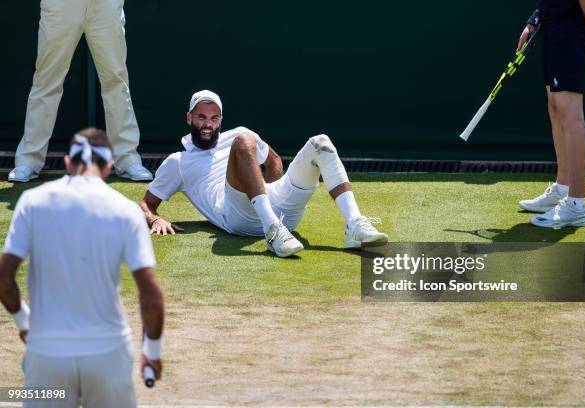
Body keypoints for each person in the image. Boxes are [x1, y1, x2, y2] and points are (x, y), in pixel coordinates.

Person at [0, 128, 164, 408]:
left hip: (47, 356)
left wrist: (25, 322)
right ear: (110, 166)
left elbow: (4, 277)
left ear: (66, 162)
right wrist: (152, 351)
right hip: (108, 356)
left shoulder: (32, 202)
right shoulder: (126, 211)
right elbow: (151, 296)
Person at [139, 90, 388, 257]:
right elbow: (146, 204)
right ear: (189, 118)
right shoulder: (178, 162)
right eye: (201, 117)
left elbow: (274, 161)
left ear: (220, 120)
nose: (207, 124)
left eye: (214, 118)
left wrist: (275, 195)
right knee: (244, 139)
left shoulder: (234, 132)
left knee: (320, 143)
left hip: (279, 210)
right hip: (237, 216)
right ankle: (272, 230)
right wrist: (155, 219)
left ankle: (354, 223)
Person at [8, 0, 153, 183]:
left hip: (105, 5)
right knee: (47, 80)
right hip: (61, 5)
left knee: (116, 80)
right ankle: (28, 161)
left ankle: (127, 158)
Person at [517, 0, 585, 228]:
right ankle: (563, 188)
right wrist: (535, 19)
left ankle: (577, 204)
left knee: (570, 114)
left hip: (570, 29)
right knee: (556, 108)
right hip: (554, 25)